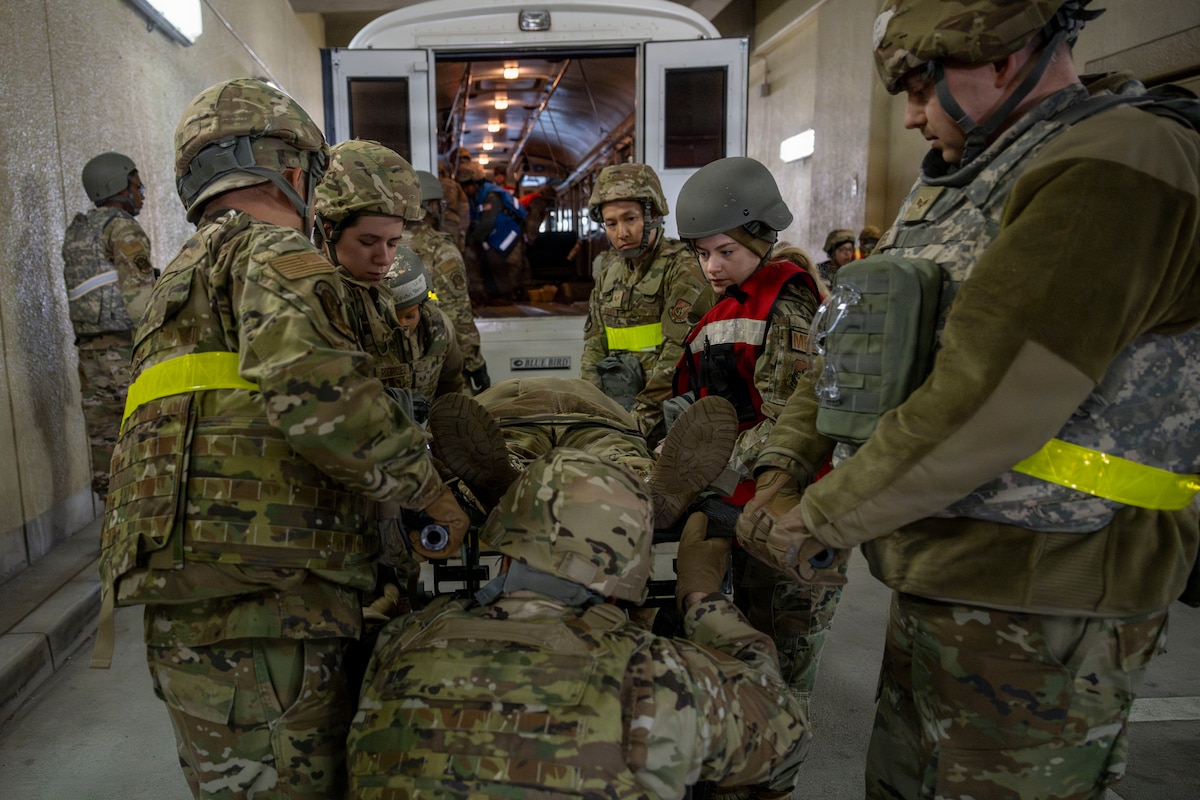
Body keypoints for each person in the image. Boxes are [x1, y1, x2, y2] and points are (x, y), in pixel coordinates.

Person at [737, 2, 1200, 799]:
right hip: (948, 571)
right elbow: (855, 343)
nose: (912, 115)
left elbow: (987, 400)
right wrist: (787, 459)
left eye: (924, 85)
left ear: (1005, 56)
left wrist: (822, 514)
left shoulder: (1116, 163)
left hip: (1054, 588)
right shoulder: (968, 172)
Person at [93, 78, 469, 800]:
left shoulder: (177, 279)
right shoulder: (273, 256)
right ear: (294, 171)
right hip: (267, 603)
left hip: (193, 601)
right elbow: (322, 399)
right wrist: (429, 492)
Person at [347, 448, 810, 799]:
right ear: (631, 570)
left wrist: (387, 600)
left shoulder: (401, 642)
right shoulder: (657, 676)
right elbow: (784, 740)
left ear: (504, 548)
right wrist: (702, 597)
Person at [669, 156, 831, 732]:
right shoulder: (737, 297)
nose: (711, 266)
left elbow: (789, 421)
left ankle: (776, 765)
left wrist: (708, 459)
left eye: (724, 252)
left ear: (761, 238)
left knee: (782, 645)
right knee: (745, 634)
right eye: (701, 252)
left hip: (785, 501)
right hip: (741, 494)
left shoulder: (784, 303)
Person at [428, 376, 737, 532]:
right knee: (614, 457)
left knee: (513, 452)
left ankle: (513, 483)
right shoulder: (591, 390)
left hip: (509, 411)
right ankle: (641, 486)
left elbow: (442, 447)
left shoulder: (494, 393)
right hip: (599, 414)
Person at [580, 163, 708, 446]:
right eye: (611, 224)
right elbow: (593, 345)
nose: (621, 233)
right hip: (617, 409)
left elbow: (677, 353)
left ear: (652, 216)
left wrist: (640, 419)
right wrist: (591, 407)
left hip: (665, 418)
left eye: (630, 219)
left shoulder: (682, 266)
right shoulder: (609, 271)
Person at [62, 151, 155, 498]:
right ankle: (142, 518)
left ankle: (109, 517)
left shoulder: (78, 230)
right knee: (141, 432)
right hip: (124, 351)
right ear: (117, 185)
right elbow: (139, 298)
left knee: (103, 440)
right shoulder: (122, 227)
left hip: (89, 354)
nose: (141, 192)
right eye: (136, 184)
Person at [407, 169, 491, 393]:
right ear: (428, 207)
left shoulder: (382, 242)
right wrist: (474, 363)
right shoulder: (440, 250)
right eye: (437, 204)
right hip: (435, 362)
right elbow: (456, 313)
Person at [383, 245, 467, 405]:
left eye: (410, 316)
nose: (402, 325)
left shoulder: (440, 329)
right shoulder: (364, 335)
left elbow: (451, 383)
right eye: (392, 317)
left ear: (421, 307)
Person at [459, 161, 528, 302]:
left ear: (476, 183)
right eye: (463, 187)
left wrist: (470, 240)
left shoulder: (491, 195)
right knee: (486, 257)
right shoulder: (476, 197)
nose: (466, 190)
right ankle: (492, 293)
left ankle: (506, 294)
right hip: (499, 230)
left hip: (511, 229)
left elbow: (487, 223)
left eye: (468, 186)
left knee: (494, 257)